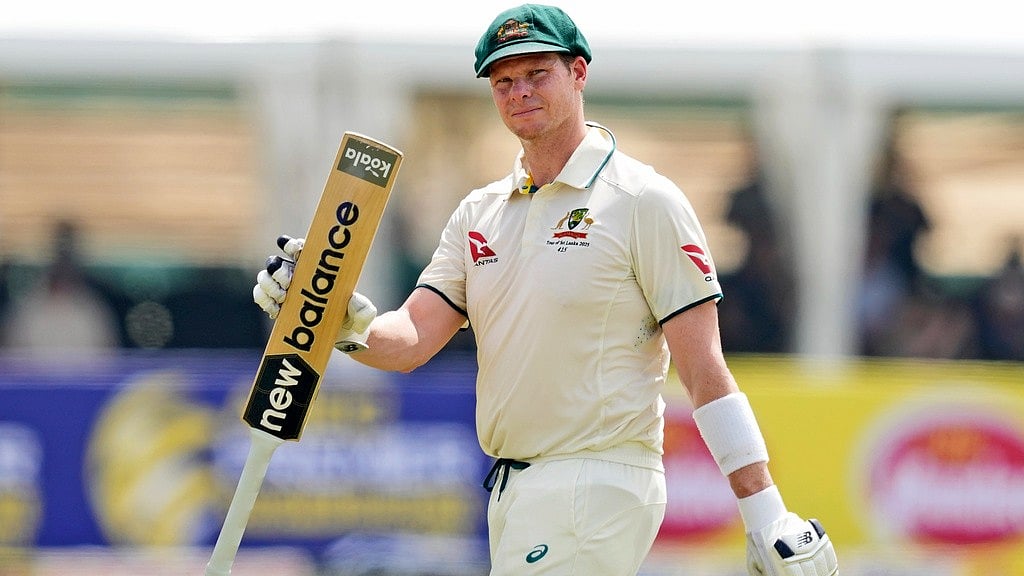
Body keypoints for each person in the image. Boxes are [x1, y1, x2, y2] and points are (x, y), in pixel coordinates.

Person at [254, 5, 838, 575]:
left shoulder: (642, 200)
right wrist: (336, 315)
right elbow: (409, 340)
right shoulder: (479, 212)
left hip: (599, 478)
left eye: (538, 74)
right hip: (513, 487)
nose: (520, 92)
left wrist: (765, 513)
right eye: (504, 80)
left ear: (578, 72)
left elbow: (703, 368)